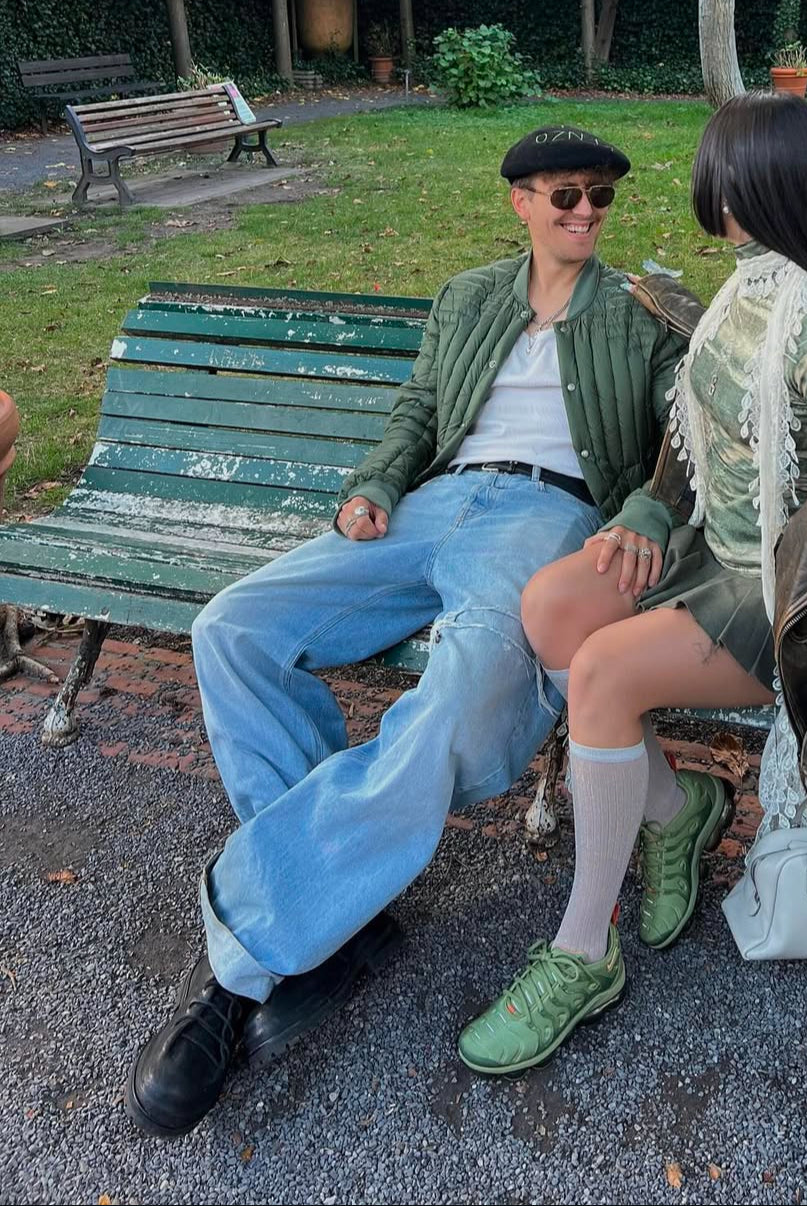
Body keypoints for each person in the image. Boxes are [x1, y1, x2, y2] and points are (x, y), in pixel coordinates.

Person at [125, 125, 691, 1138]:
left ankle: (246, 966)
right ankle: (336, 906)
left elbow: (684, 437)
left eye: (602, 197)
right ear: (521, 201)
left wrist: (647, 511)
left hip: (546, 519)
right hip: (429, 507)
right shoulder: (468, 297)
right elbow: (420, 410)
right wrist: (376, 484)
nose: (586, 213)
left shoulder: (637, 311)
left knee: (454, 706)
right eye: (566, 195)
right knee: (234, 629)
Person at [458, 92, 807, 1075]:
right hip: (710, 553)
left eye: (723, 179)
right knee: (551, 609)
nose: (712, 197)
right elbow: (692, 437)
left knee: (602, 676)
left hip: (783, 603)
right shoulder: (744, 291)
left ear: (765, 189)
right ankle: (675, 812)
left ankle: (582, 950)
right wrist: (649, 513)